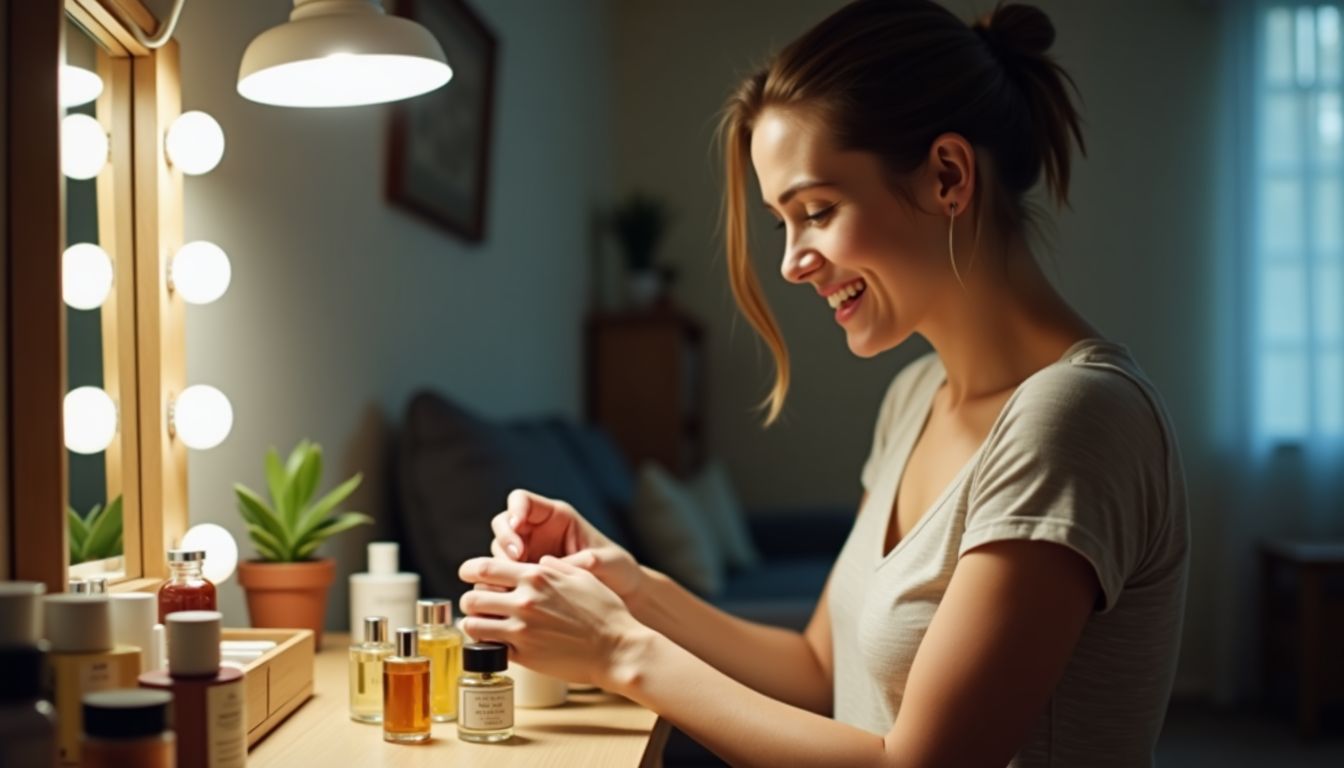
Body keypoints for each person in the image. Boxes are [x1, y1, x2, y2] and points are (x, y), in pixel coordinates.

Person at [457, 1, 1189, 765]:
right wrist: (632, 588)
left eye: (818, 210)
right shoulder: (917, 396)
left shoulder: (1075, 417)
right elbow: (817, 672)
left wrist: (619, 651)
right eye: (784, 221)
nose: (791, 262)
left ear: (948, 176)